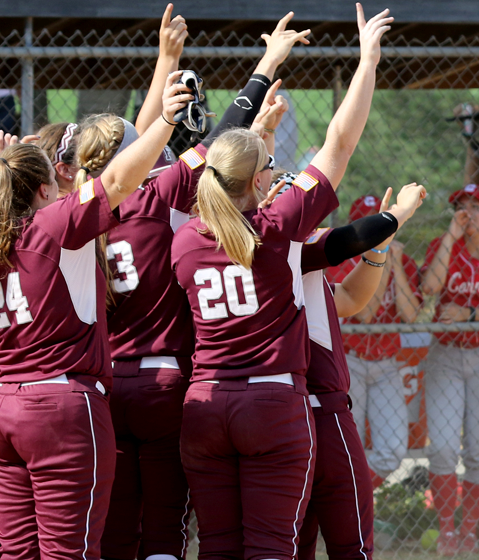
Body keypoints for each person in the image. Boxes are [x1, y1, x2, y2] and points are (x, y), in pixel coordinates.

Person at [0, 73, 190, 560]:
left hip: (2, 406)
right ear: (46, 186)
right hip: (62, 404)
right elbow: (116, 179)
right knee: (68, 552)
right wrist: (168, 123)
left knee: (18, 553)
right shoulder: (53, 224)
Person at [169, 6, 391, 559]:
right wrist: (366, 63)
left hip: (205, 401)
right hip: (270, 402)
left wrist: (258, 111)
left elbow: (224, 180)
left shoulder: (185, 240)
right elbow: (337, 144)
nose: (275, 174)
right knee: (273, 546)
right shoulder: (276, 230)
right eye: (269, 166)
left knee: (218, 546)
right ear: (257, 182)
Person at [95, 10, 307, 560]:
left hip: (109, 384)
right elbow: (219, 139)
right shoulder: (155, 199)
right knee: (165, 525)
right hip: (168, 381)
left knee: (119, 527)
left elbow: (133, 151)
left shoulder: (74, 217)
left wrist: (166, 60)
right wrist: (266, 64)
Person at [294, 182, 427, 560]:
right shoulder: (313, 252)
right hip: (328, 383)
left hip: (376, 367)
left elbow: (390, 308)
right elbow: (363, 311)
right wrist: (383, 236)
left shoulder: (375, 255)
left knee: (384, 454)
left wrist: (385, 250)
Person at [326, 195, 422, 488]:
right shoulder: (344, 262)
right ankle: (344, 504)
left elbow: (411, 315)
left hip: (387, 364)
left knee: (392, 451)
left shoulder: (402, 260)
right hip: (350, 361)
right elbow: (366, 315)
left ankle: (358, 497)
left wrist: (393, 263)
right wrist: (381, 257)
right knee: (345, 448)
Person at [421, 181, 479, 554]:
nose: (467, 213)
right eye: (462, 206)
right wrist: (450, 236)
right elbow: (430, 287)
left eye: (475, 207)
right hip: (445, 354)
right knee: (442, 447)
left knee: (478, 449)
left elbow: (460, 308)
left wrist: (470, 314)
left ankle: (471, 531)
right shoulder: (446, 246)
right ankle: (447, 530)